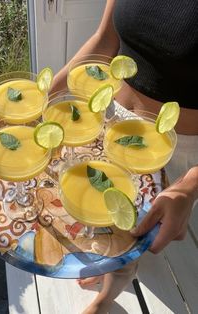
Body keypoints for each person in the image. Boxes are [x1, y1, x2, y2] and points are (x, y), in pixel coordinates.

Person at [50, 0, 198, 313]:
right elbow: (104, 40)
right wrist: (46, 96)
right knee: (92, 211)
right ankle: (110, 265)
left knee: (131, 233)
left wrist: (191, 184)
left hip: (169, 152)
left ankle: (114, 285)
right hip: (103, 119)